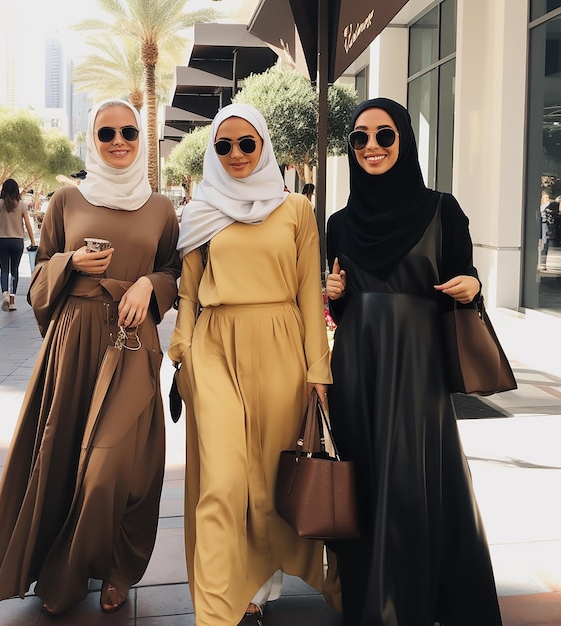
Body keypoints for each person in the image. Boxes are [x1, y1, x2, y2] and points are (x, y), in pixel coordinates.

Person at [0, 99, 180, 615]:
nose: (118, 141)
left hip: (130, 342)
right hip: (74, 341)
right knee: (64, 454)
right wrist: (72, 261)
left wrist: (148, 287)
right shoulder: (68, 199)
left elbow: (174, 271)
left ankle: (116, 569)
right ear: (93, 137)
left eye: (128, 132)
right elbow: (40, 272)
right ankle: (61, 573)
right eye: (107, 132)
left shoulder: (159, 207)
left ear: (141, 137)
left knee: (117, 467)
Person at [325, 98, 502, 625]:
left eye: (384, 135)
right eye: (360, 138)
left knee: (412, 475)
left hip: (417, 365)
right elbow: (343, 301)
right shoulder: (339, 221)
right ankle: (371, 599)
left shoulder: (442, 210)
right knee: (367, 477)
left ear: (404, 139)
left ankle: (411, 600)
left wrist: (472, 287)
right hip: (357, 365)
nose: (372, 147)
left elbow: (463, 277)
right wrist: (333, 293)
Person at [168, 103, 332, 626]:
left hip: (283, 347)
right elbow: (187, 294)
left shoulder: (296, 211)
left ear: (263, 145)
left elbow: (310, 295)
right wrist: (183, 353)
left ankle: (260, 584)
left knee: (273, 474)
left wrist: (318, 370)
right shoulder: (200, 212)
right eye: (223, 146)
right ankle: (215, 612)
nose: (235, 154)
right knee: (222, 479)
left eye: (246, 143)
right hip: (213, 347)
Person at [0, 178, 36, 311]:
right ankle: (12, 301)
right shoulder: (21, 204)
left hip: (2, 241)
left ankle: (4, 293)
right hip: (17, 241)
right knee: (15, 270)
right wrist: (33, 240)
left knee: (4, 270)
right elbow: (28, 224)